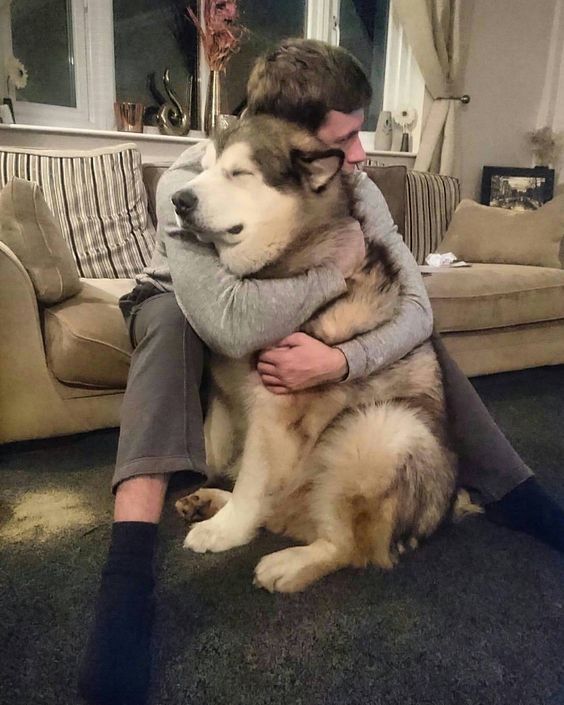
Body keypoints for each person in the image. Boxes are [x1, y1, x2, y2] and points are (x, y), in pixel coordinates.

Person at [78, 38, 564, 705]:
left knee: (404, 333)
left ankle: (514, 490)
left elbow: (417, 306)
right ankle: (126, 572)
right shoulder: (187, 184)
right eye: (346, 134)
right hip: (185, 301)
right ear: (294, 137)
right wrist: (336, 270)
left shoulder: (349, 184)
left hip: (287, 302)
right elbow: (229, 323)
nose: (359, 153)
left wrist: (340, 357)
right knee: (165, 325)